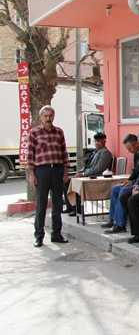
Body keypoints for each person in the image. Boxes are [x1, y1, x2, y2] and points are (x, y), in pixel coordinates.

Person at [26, 105, 70, 247]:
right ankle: (39, 236)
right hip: (42, 171)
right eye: (45, 116)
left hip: (57, 170)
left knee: (57, 204)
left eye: (50, 115)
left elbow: (64, 153)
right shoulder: (34, 133)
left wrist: (65, 172)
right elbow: (30, 156)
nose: (48, 118)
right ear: (41, 117)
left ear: (54, 116)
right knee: (41, 205)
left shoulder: (59, 132)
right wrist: (32, 174)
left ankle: (56, 234)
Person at [102, 134, 139, 234]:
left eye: (130, 148)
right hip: (135, 181)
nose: (129, 151)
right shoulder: (136, 155)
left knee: (123, 191)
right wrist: (128, 180)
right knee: (116, 188)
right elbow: (135, 172)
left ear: (137, 144)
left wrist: (132, 183)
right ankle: (113, 219)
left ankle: (120, 224)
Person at [64, 132, 113, 216]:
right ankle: (71, 207)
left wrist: (83, 174)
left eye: (99, 141)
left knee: (71, 182)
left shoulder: (105, 152)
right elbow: (88, 165)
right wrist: (79, 172)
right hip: (89, 175)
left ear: (104, 141)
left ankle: (77, 208)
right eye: (96, 141)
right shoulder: (95, 152)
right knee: (66, 181)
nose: (97, 143)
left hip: (96, 177)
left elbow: (98, 168)